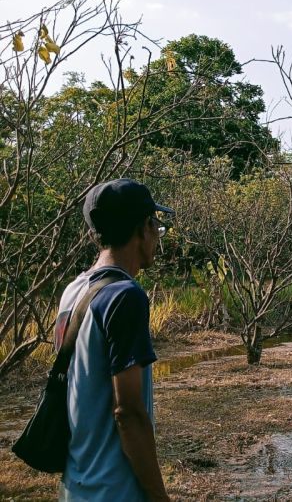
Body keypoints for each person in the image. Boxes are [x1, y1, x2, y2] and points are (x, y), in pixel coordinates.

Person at [53, 179, 172, 501]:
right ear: (143, 228)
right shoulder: (125, 297)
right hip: (115, 490)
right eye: (156, 226)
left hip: (76, 484)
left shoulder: (74, 291)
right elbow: (128, 413)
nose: (157, 238)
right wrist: (159, 496)